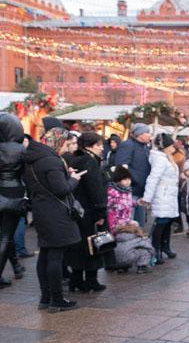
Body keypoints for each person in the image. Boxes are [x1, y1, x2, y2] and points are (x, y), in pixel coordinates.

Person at [24, 125, 83, 312]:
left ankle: (45, 297)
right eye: (67, 143)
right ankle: (56, 300)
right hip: (55, 212)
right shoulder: (51, 160)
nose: (67, 148)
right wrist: (74, 179)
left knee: (45, 253)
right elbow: (61, 189)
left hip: (41, 210)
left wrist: (65, 174)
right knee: (55, 256)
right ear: (59, 142)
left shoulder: (34, 157)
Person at [65, 132, 109, 293]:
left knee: (79, 245)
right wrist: (100, 212)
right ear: (89, 146)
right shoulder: (90, 161)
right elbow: (95, 189)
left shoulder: (75, 158)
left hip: (78, 209)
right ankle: (91, 280)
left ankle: (76, 279)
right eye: (98, 145)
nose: (101, 148)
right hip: (90, 210)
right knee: (93, 244)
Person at [140, 133, 179, 264]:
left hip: (170, 194)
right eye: (171, 144)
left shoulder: (167, 158)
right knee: (161, 222)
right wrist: (147, 197)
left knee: (167, 222)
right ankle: (156, 249)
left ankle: (165, 247)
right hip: (163, 194)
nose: (174, 146)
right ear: (166, 146)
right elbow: (153, 178)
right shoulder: (160, 159)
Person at [0, 114, 27, 287]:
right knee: (6, 236)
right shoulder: (21, 149)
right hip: (14, 193)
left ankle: (15, 266)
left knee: (4, 235)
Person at [116, 123, 152, 227]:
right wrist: (134, 180)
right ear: (139, 134)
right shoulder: (128, 145)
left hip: (141, 191)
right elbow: (121, 166)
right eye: (147, 132)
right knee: (129, 224)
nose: (150, 135)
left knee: (139, 224)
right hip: (131, 191)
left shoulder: (145, 147)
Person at [107, 165, 135, 233]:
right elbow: (109, 210)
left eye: (129, 179)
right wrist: (112, 226)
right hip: (116, 225)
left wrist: (136, 203)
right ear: (118, 180)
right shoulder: (112, 192)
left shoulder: (128, 191)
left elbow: (128, 203)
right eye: (125, 179)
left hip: (127, 222)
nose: (128, 181)